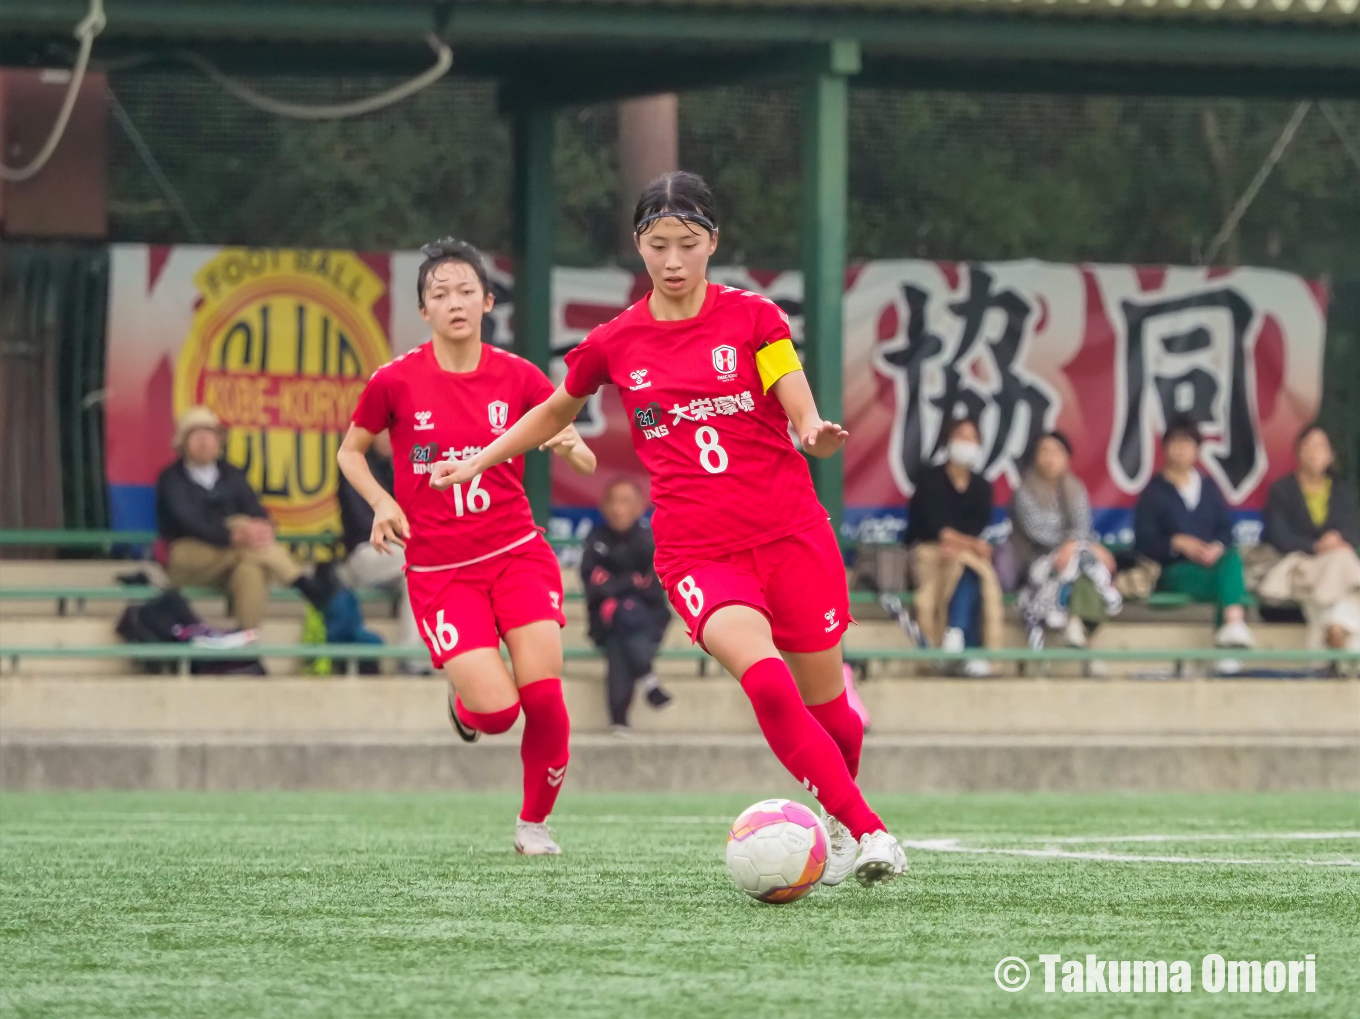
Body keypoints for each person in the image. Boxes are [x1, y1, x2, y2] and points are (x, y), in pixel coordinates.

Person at [432, 172, 908, 887]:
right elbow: (557, 410)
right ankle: (872, 832)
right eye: (659, 244)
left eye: (688, 243)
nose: (674, 259)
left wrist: (810, 428)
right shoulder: (617, 339)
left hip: (791, 533)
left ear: (713, 242)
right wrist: (482, 456)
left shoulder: (754, 318)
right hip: (698, 552)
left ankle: (838, 822)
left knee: (831, 708)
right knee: (770, 686)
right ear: (639, 245)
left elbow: (790, 386)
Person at [337, 237, 597, 856]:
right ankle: (467, 699)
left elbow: (584, 459)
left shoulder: (519, 376)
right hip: (440, 571)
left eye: (464, 291)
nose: (454, 302)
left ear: (486, 301)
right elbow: (350, 451)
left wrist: (566, 445)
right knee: (499, 713)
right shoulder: (395, 381)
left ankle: (533, 825)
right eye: (439, 293)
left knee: (546, 699)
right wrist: (384, 502)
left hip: (517, 554)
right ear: (423, 311)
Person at [157, 405, 334, 631]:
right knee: (239, 525)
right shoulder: (171, 478)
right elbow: (188, 521)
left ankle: (246, 641)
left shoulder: (232, 474)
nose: (203, 442)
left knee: (251, 569)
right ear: (183, 442)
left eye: (209, 435)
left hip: (234, 558)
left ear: (219, 441)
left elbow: (255, 510)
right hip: (188, 557)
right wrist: (233, 534)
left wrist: (262, 527)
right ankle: (301, 581)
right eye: (196, 435)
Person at [1133, 416, 1254, 649]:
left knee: (1230, 560)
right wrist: (1176, 542)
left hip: (1211, 566)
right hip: (1173, 571)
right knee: (1229, 586)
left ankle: (1232, 629)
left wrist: (1216, 548)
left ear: (1197, 450)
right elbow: (1143, 543)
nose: (1181, 449)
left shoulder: (1208, 488)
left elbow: (1226, 529)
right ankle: (1231, 638)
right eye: (1175, 443)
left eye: (1187, 443)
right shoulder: (1153, 493)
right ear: (1165, 448)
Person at [902, 416, 1003, 677]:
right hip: (929, 551)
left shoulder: (982, 486)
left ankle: (957, 638)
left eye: (973, 438)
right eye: (961, 436)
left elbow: (977, 526)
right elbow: (937, 528)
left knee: (972, 572)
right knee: (963, 567)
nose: (967, 443)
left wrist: (961, 544)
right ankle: (964, 645)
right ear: (948, 440)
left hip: (963, 554)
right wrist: (965, 543)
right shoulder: (930, 478)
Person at [1011, 431, 1122, 650]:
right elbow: (1039, 533)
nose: (1051, 457)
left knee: (1081, 570)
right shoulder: (1024, 491)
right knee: (1085, 564)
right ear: (1035, 456)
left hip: (1072, 559)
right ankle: (1100, 604)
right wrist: (1075, 545)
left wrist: (1076, 546)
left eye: (1057, 451)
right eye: (1044, 451)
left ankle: (1076, 625)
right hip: (1036, 560)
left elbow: (1083, 527)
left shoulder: (1075, 488)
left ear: (1067, 458)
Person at [581, 477, 673, 733]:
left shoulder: (647, 540)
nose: (618, 508)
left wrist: (614, 586)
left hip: (648, 620)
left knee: (625, 616)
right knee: (621, 622)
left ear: (638, 507)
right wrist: (630, 582)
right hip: (605, 622)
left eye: (625, 502)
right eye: (612, 501)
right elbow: (593, 586)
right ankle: (649, 681)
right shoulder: (596, 538)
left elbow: (652, 588)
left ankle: (619, 719)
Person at [335, 430, 432, 674]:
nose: (390, 439)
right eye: (384, 433)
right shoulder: (356, 467)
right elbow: (367, 526)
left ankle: (413, 661)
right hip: (364, 556)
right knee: (421, 560)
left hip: (400, 557)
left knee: (417, 576)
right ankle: (413, 660)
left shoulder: (402, 467)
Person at [1260, 424, 1360, 652]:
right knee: (1344, 562)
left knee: (1341, 560)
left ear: (1331, 455)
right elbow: (1277, 534)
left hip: (1332, 570)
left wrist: (1338, 537)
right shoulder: (1282, 490)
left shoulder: (1342, 492)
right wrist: (1316, 546)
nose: (1314, 452)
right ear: (1297, 452)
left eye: (1321, 446)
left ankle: (1335, 626)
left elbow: (1353, 529)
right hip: (1299, 565)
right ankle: (1340, 630)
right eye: (1308, 446)